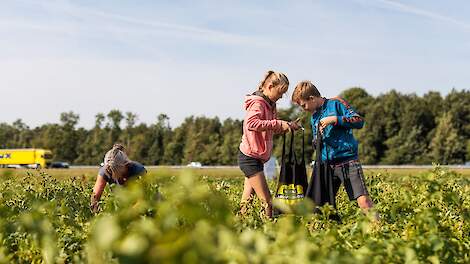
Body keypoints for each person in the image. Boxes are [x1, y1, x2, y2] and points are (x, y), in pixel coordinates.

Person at [291, 80, 377, 218]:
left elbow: (358, 121)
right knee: (322, 204)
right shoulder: (314, 116)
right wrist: (316, 139)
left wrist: (335, 119)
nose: (303, 109)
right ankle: (325, 233)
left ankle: (378, 228)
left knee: (363, 199)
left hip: (347, 161)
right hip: (327, 166)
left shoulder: (336, 104)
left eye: (303, 105)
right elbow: (317, 144)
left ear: (312, 98)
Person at [238, 70, 300, 218]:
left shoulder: (270, 105)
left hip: (256, 157)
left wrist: (287, 126)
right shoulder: (258, 103)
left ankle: (239, 224)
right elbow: (251, 124)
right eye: (280, 92)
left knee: (247, 199)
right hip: (250, 157)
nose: (281, 97)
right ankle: (269, 229)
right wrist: (277, 123)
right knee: (267, 201)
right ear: (270, 86)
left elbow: (268, 127)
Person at [90, 144, 147, 213]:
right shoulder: (106, 170)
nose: (111, 173)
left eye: (115, 171)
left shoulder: (138, 170)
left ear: (125, 165)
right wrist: (95, 212)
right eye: (109, 171)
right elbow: (95, 196)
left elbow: (142, 200)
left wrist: (127, 215)